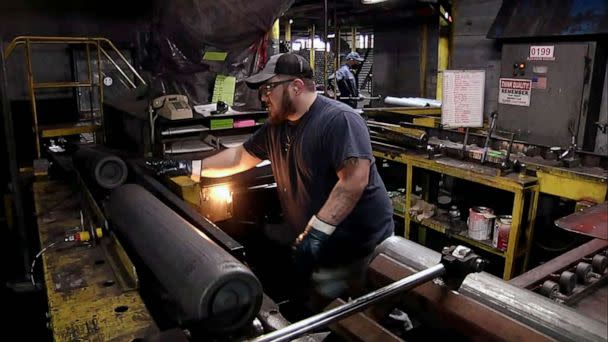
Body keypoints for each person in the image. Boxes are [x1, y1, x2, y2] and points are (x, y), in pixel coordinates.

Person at [148, 52, 394, 309]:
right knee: (327, 308)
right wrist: (189, 166)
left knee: (377, 314)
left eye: (268, 88)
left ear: (296, 86)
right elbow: (239, 158)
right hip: (323, 248)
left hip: (360, 248)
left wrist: (316, 233)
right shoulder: (277, 128)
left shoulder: (338, 120)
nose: (263, 97)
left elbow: (354, 180)